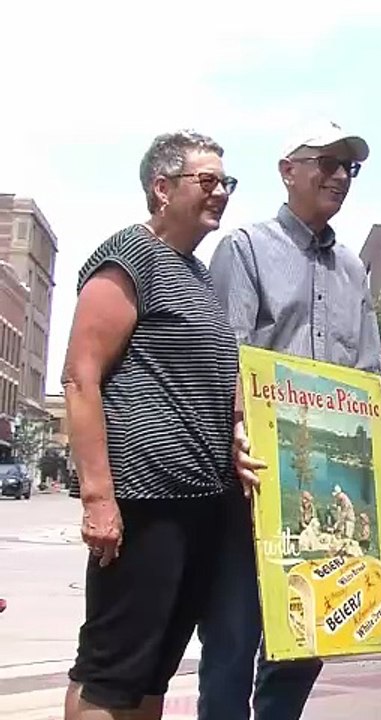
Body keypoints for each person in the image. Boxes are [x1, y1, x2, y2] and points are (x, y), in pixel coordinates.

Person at [198, 121, 381, 720]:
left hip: (325, 488)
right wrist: (236, 428)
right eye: (326, 162)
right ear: (287, 171)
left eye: (349, 166)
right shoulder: (244, 249)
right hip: (251, 479)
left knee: (307, 637)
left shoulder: (352, 270)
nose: (340, 176)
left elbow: (365, 374)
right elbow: (226, 356)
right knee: (232, 640)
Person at [61, 131, 240, 720]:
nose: (221, 192)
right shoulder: (129, 257)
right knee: (112, 673)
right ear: (161, 188)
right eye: (207, 180)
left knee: (153, 673)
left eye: (226, 182)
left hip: (199, 505)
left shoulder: (197, 275)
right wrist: (98, 500)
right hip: (144, 504)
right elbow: (81, 378)